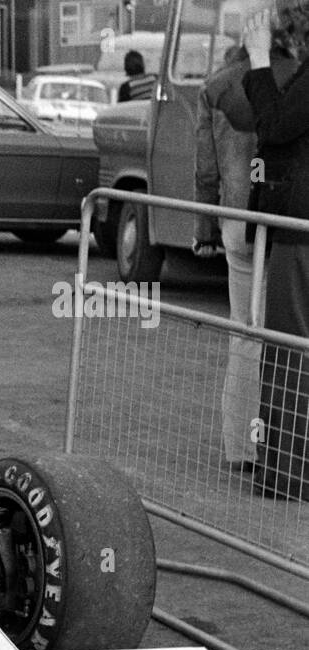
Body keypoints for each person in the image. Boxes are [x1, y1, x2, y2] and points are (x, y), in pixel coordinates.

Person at [194, 39, 298, 472]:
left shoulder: (215, 87)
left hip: (234, 218)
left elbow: (205, 168)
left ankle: (241, 447)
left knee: (243, 333)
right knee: (289, 333)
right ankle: (284, 441)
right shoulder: (293, 77)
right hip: (283, 219)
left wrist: (203, 228)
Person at [243, 1, 309, 500]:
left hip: (300, 231)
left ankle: (287, 472)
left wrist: (260, 61)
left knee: (290, 350)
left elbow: (276, 126)